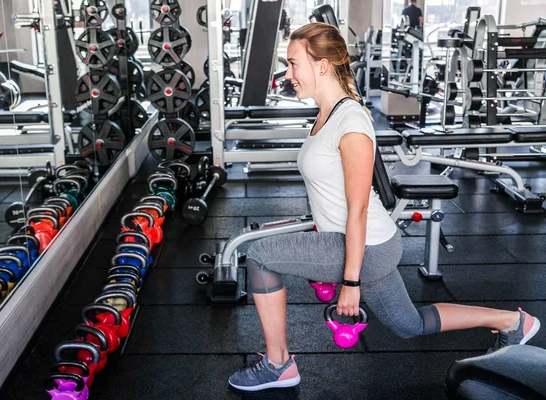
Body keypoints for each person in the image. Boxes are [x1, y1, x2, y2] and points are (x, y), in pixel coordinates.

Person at [227, 22, 541, 392]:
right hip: (364, 243)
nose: (288, 73)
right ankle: (512, 322)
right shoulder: (328, 113)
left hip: (367, 246)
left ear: (323, 66)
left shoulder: (351, 123)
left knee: (260, 257)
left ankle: (279, 365)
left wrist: (350, 283)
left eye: (294, 63)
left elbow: (358, 209)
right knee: (408, 324)